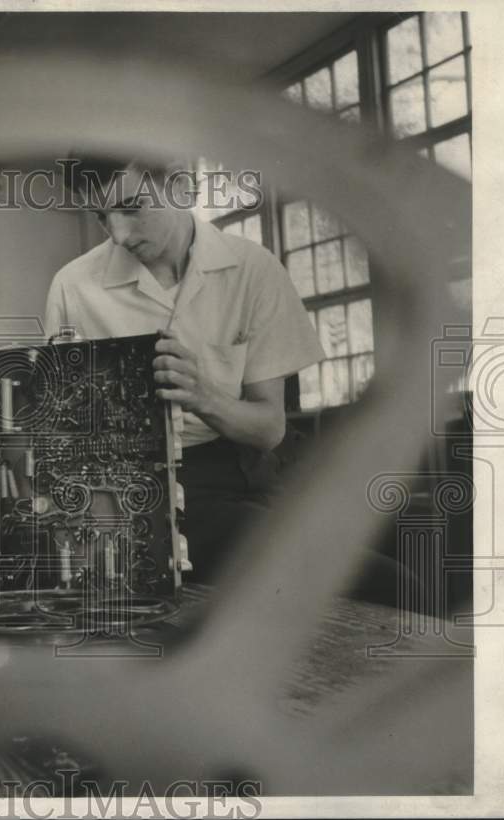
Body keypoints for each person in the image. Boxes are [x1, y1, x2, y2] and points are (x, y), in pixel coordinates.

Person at [45, 156, 324, 584]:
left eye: (131, 207)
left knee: (399, 566)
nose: (119, 235)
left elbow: (269, 429)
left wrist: (202, 395)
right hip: (139, 489)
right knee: (345, 577)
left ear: (178, 187)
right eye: (102, 217)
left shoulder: (253, 269)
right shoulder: (73, 286)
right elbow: (63, 436)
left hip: (250, 469)